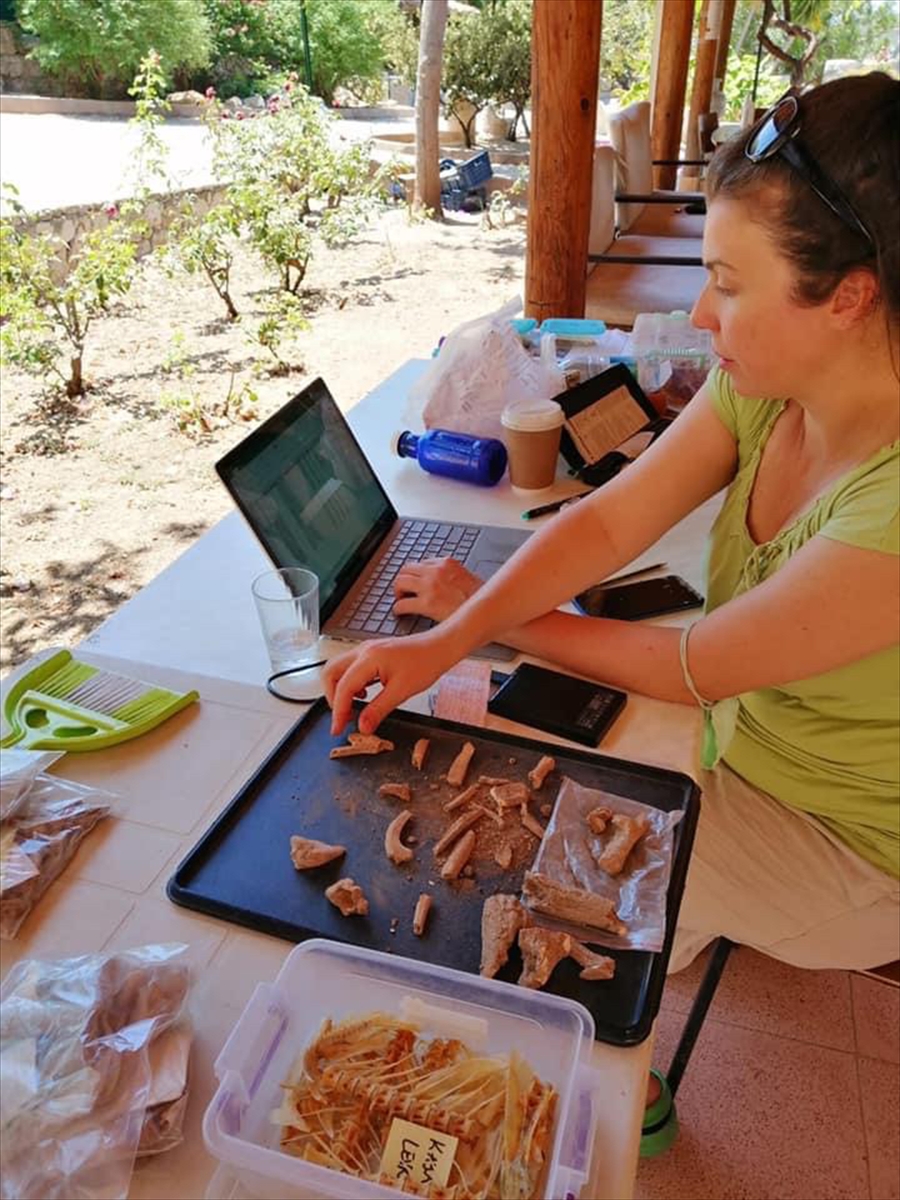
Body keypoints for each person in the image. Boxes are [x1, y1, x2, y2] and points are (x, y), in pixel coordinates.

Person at [325, 73, 900, 975]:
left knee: (521, 887)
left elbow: (691, 666)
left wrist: (486, 618)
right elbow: (602, 527)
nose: (703, 314)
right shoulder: (768, 386)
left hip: (850, 840)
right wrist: (452, 639)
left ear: (849, 297)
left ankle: (628, 1067)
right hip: (738, 731)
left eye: (728, 283)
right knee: (516, 796)